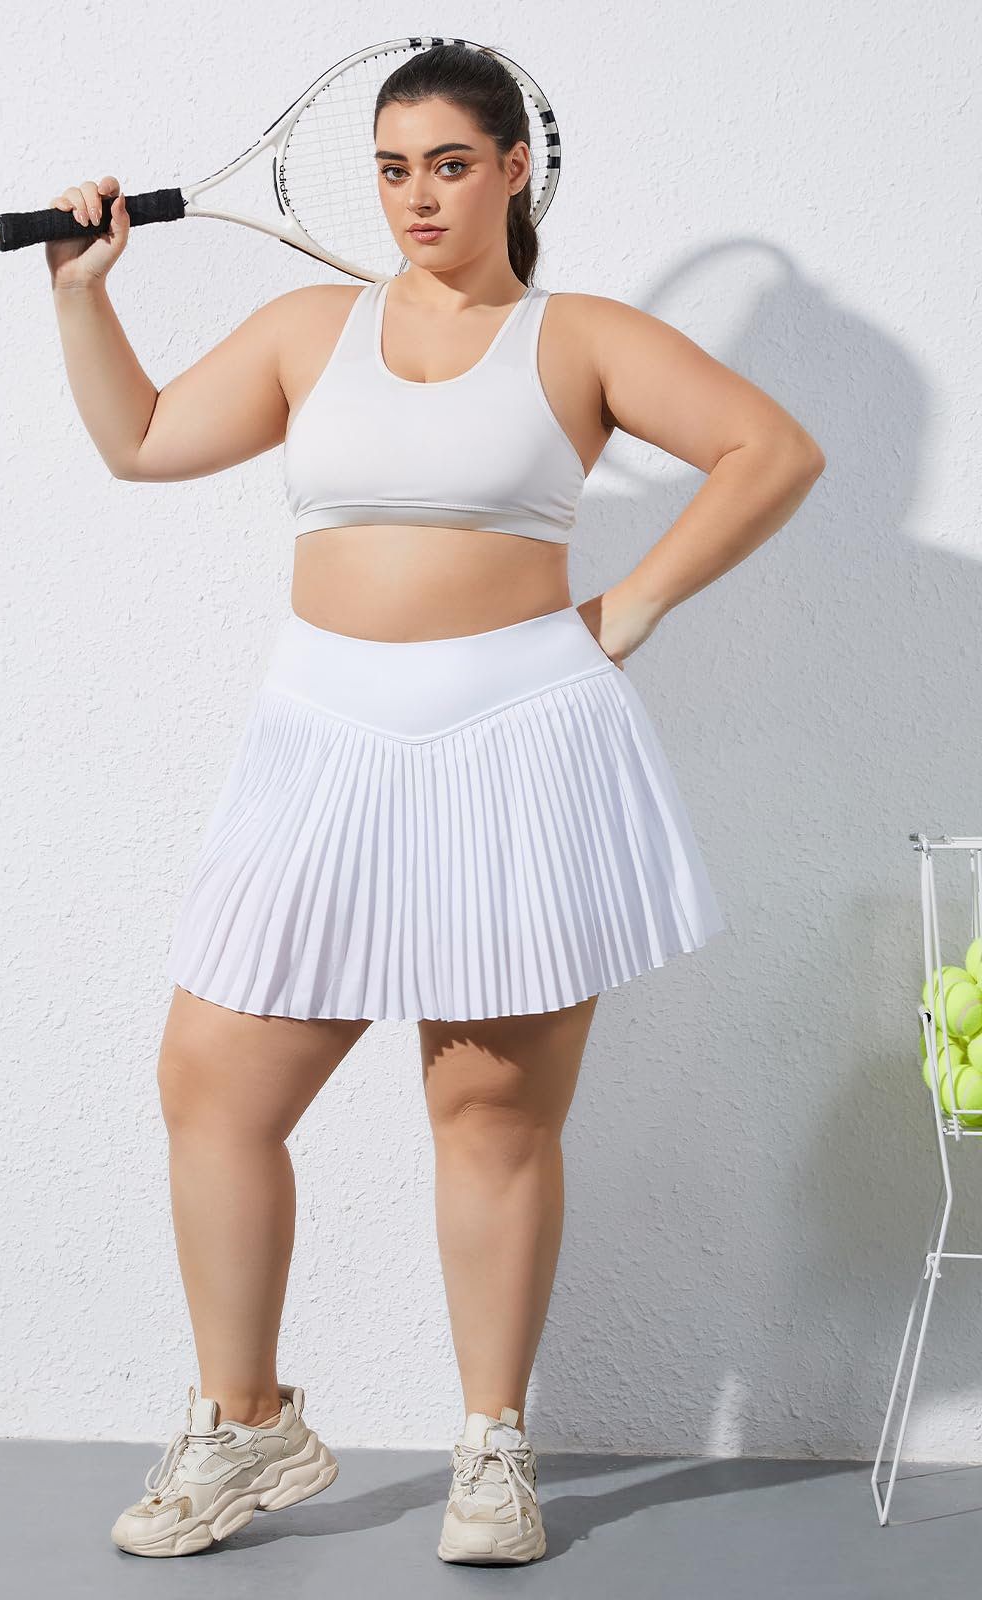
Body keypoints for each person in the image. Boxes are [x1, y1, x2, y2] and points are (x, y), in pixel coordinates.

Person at [45, 42, 823, 1569]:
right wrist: (83, 295)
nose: (417, 197)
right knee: (213, 1085)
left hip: (518, 742)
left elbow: (771, 451)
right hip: (320, 742)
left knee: (487, 1114)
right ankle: (246, 1425)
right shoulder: (306, 331)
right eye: (394, 168)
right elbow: (140, 443)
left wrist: (629, 609)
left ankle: (493, 1451)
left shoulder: (579, 337)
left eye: (450, 165)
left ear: (515, 168)